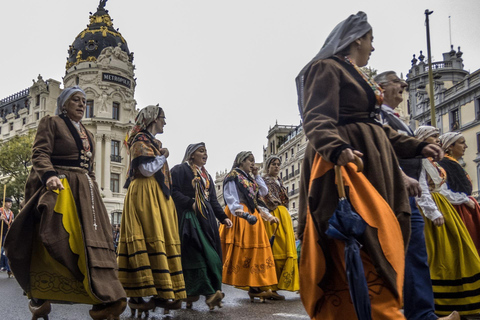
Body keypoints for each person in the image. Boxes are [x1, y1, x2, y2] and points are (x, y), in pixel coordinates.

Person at [295, 12, 443, 320]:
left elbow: (377, 127)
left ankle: (379, 310)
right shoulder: (327, 67)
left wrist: (416, 145)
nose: (373, 48)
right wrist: (338, 149)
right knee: (357, 235)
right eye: (371, 40)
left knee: (380, 235)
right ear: (357, 38)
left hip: (371, 163)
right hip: (346, 167)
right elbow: (317, 117)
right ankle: (372, 311)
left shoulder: (357, 74)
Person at [4, 86, 127, 320]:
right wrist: (49, 175)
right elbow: (39, 153)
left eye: (83, 100)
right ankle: (39, 294)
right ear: (63, 104)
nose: (81, 104)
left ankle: (102, 296)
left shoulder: (88, 134)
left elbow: (89, 169)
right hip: (58, 184)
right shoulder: (51, 123)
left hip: (85, 191)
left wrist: (94, 192)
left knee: (94, 241)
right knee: (56, 234)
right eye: (75, 100)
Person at [375, 71, 458, 320]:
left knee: (416, 255)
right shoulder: (376, 116)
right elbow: (383, 150)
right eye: (395, 81)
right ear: (380, 88)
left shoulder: (399, 121)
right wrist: (401, 175)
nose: (403, 84)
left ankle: (423, 314)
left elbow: (417, 166)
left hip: (408, 196)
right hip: (390, 193)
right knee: (396, 255)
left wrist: (423, 197)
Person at [117, 104, 186, 317]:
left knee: (158, 236)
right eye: (162, 118)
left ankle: (160, 290)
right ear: (153, 118)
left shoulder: (150, 142)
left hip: (154, 194)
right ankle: (141, 292)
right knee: (149, 236)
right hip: (145, 192)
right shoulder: (140, 140)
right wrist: (164, 155)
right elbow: (146, 170)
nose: (165, 122)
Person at [414, 126, 480, 317]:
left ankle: (461, 300)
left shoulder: (433, 163)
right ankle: (439, 303)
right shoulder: (419, 162)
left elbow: (442, 190)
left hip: (443, 206)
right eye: (434, 137)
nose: (437, 140)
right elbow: (422, 189)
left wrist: (462, 199)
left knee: (457, 252)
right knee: (437, 256)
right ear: (424, 140)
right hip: (431, 211)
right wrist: (433, 213)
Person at [170, 143, 232, 310]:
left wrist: (224, 217)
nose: (205, 154)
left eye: (206, 151)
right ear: (191, 155)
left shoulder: (207, 175)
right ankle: (209, 294)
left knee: (212, 255)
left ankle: (205, 293)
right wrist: (190, 203)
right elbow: (172, 191)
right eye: (201, 151)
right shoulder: (179, 170)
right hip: (189, 221)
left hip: (207, 221)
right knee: (197, 255)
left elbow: (212, 200)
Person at [219, 151, 278, 302]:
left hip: (253, 215)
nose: (252, 163)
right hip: (240, 214)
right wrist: (241, 214)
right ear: (240, 161)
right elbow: (230, 198)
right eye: (249, 160)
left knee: (256, 252)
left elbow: (263, 192)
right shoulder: (233, 176)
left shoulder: (250, 179)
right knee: (239, 251)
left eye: (253, 161)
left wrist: (257, 175)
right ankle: (216, 288)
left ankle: (255, 287)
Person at [260, 155, 300, 299]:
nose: (276, 166)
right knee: (275, 250)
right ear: (268, 166)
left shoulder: (280, 181)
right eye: (273, 164)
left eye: (278, 164)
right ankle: (271, 286)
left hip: (284, 215)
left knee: (286, 249)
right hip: (273, 214)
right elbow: (261, 199)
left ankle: (280, 284)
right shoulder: (263, 180)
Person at [438, 132, 480, 253]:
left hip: (464, 206)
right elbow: (443, 190)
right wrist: (465, 200)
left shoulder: (452, 163)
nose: (465, 146)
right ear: (450, 146)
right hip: (458, 210)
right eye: (462, 143)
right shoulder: (444, 164)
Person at [0, 197, 14, 278]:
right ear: (4, 203)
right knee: (3, 252)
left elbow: (11, 224)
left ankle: (8, 269)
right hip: (0, 234)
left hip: (7, 234)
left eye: (11, 202)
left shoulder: (11, 213)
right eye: (8, 202)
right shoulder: (0, 211)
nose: (10, 204)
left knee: (6, 251)